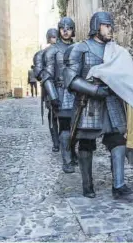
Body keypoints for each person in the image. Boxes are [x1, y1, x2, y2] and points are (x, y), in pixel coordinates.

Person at [63, 11, 133, 199]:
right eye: (106, 26)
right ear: (96, 27)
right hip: (89, 104)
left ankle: (119, 185)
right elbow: (71, 79)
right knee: (87, 144)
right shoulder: (80, 49)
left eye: (110, 26)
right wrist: (96, 90)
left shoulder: (116, 51)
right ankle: (87, 185)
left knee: (118, 141)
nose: (110, 29)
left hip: (112, 101)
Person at [42, 18, 77, 173]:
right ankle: (67, 161)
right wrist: (53, 95)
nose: (65, 30)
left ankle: (73, 153)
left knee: (78, 128)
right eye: (62, 28)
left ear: (72, 30)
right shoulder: (52, 50)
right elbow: (47, 76)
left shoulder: (79, 48)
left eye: (69, 28)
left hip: (78, 92)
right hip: (61, 92)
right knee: (65, 128)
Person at [33, 28, 59, 152]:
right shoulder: (41, 54)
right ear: (49, 38)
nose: (55, 39)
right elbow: (39, 73)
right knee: (53, 115)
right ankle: (55, 142)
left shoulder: (65, 51)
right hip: (49, 89)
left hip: (64, 88)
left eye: (56, 37)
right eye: (53, 37)